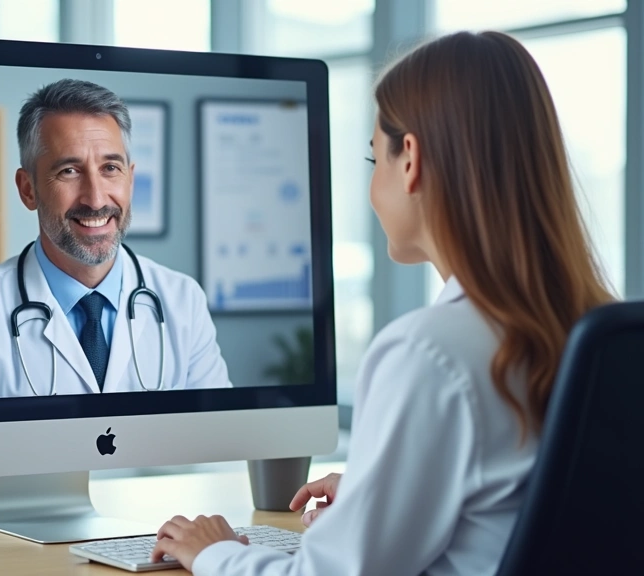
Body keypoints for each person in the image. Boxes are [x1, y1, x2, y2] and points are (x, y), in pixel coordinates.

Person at [149, 31, 615, 575]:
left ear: (410, 158)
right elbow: (519, 506)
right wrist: (383, 490)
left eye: (376, 158)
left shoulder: (429, 352)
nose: (373, 183)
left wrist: (215, 553)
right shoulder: (598, 332)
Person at [0, 78, 232, 399]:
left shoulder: (183, 303)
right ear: (28, 189)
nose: (95, 199)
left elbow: (219, 443)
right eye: (69, 171)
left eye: (110, 168)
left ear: (130, 181)